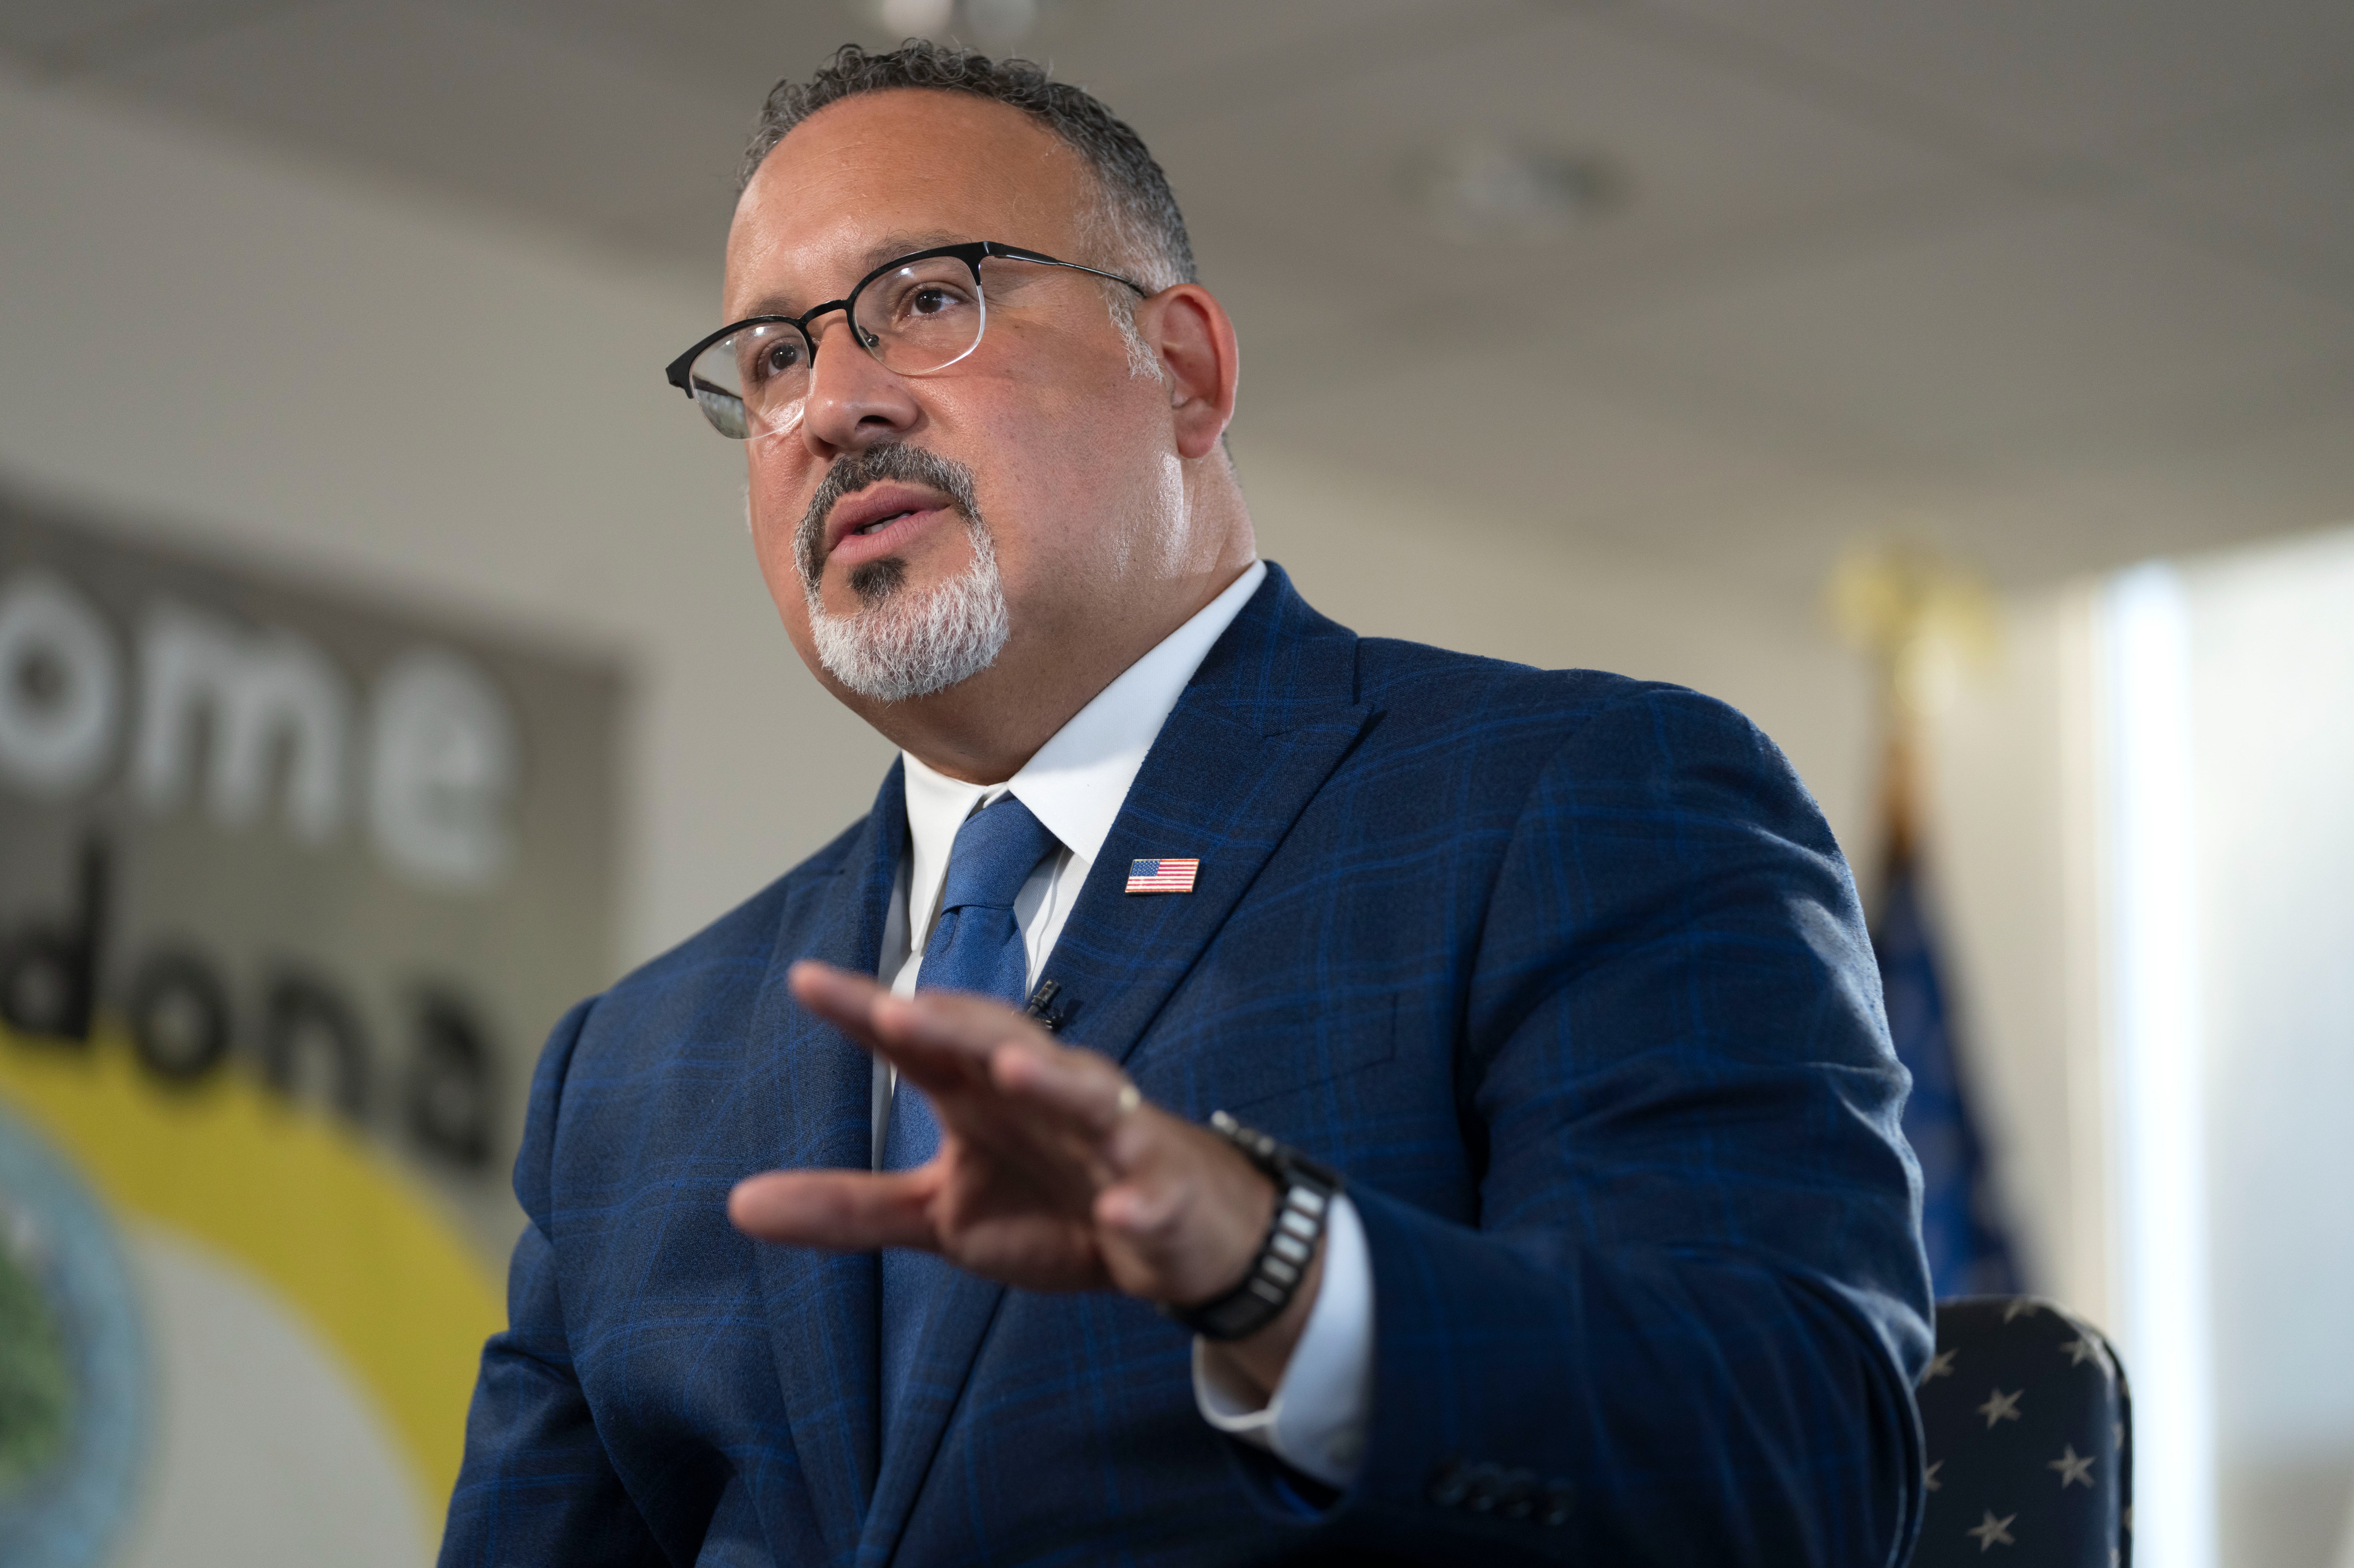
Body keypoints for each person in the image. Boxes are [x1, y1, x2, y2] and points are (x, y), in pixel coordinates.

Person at [441, 41, 1931, 1568]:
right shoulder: (627, 1075)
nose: (832, 405)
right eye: (771, 359)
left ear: (1185, 373)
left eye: (929, 299)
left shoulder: (1582, 800)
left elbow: (1796, 1460)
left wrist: (1271, 1264)